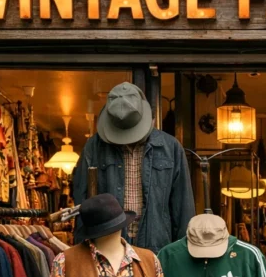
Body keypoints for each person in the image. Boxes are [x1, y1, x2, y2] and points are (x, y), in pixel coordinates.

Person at [71, 82, 195, 252]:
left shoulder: (170, 147)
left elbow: (183, 206)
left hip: (157, 245)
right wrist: (82, 249)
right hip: (107, 244)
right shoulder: (94, 147)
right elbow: (82, 201)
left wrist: (182, 254)